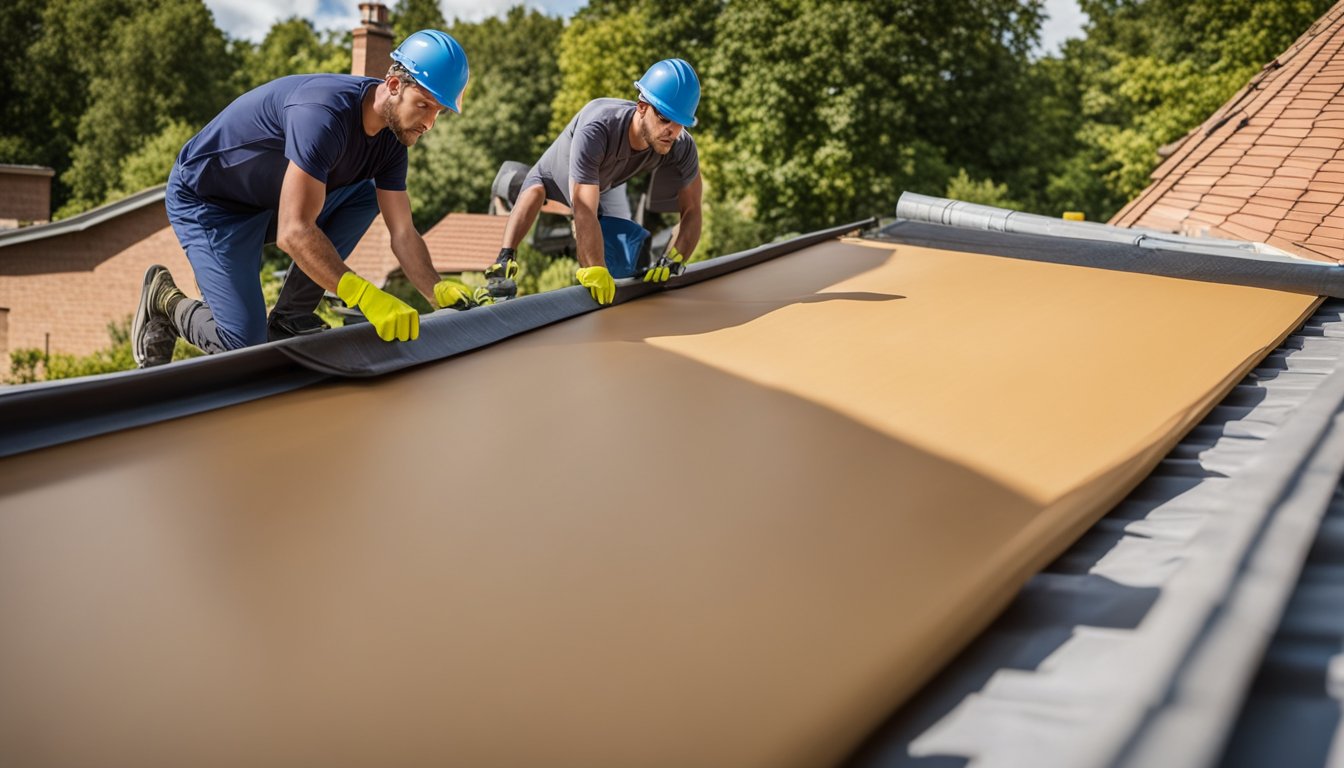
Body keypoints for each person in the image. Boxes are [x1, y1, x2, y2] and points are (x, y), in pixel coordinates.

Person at [132, 29, 487, 368]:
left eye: (438, 112)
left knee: (365, 194)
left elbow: (403, 232)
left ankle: (290, 318)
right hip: (211, 204)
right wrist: (362, 294)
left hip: (269, 201)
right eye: (424, 105)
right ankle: (164, 301)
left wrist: (435, 289)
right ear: (394, 85)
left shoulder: (393, 141)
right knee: (243, 345)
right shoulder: (324, 114)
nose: (429, 123)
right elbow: (293, 231)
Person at [486, 58, 704, 306]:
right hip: (557, 181)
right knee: (536, 189)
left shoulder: (680, 145)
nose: (672, 131)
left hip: (603, 184)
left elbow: (693, 210)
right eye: (665, 119)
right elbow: (584, 208)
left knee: (629, 255)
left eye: (680, 123)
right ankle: (503, 258)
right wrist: (596, 267)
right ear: (642, 107)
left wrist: (675, 259)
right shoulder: (598, 127)